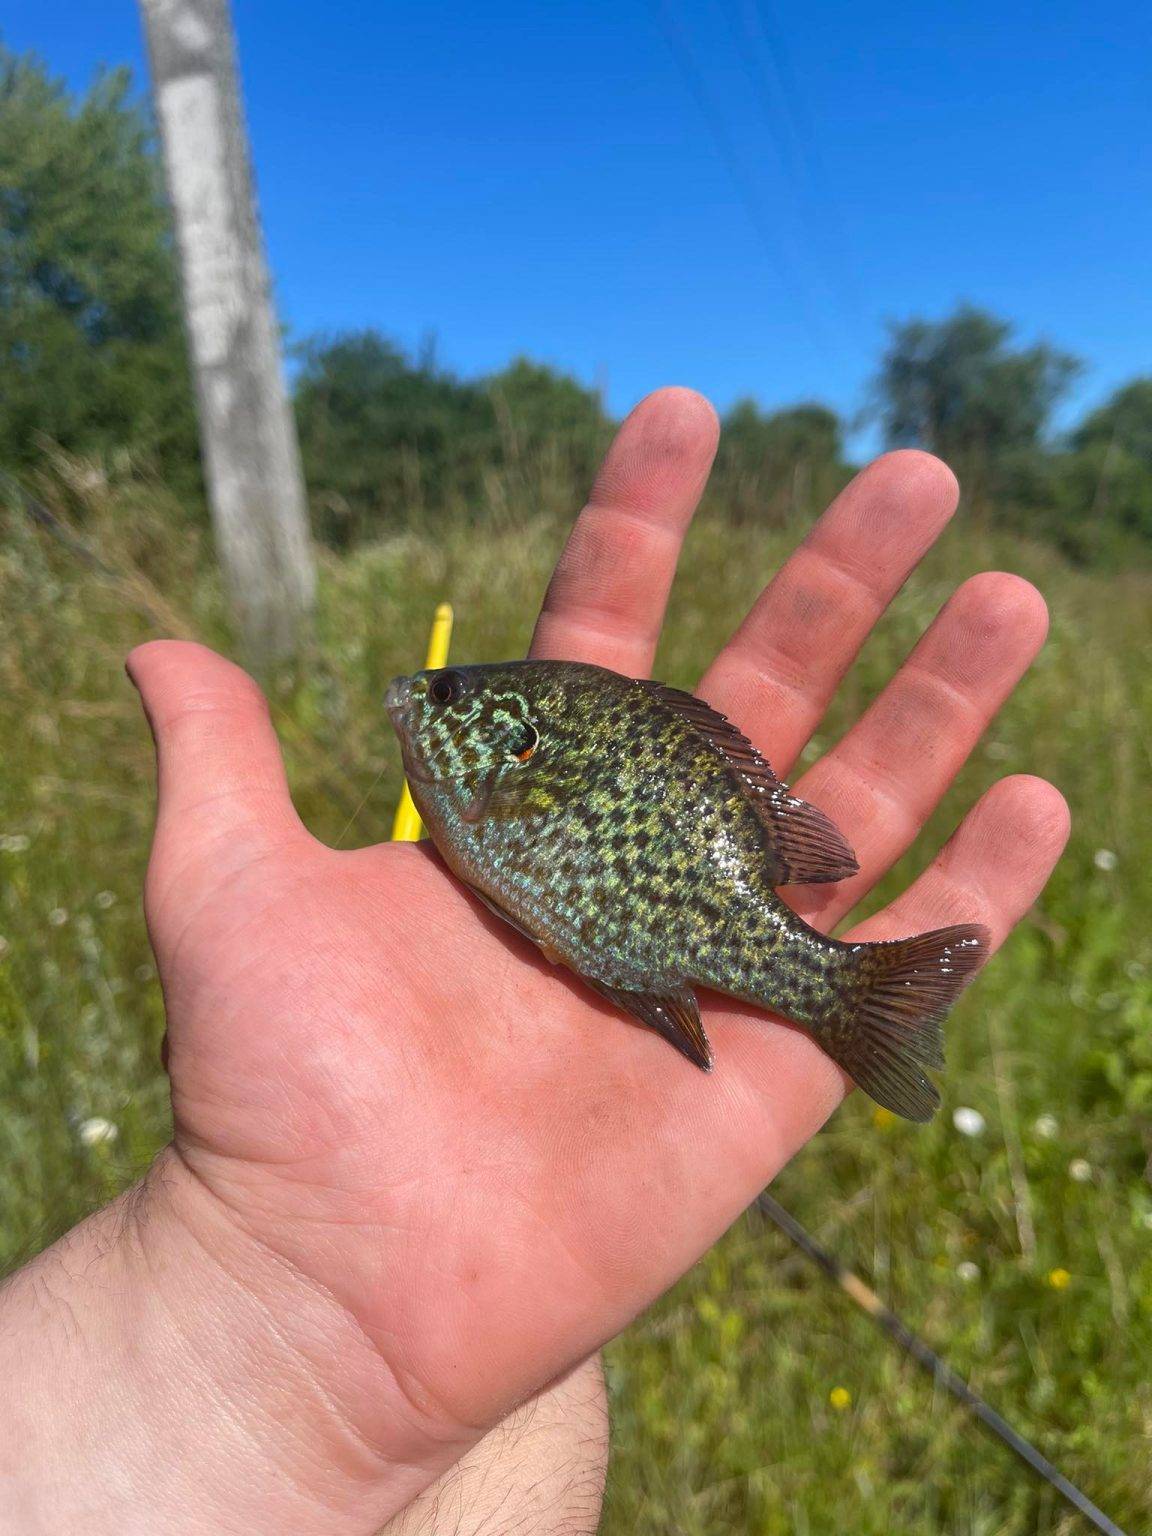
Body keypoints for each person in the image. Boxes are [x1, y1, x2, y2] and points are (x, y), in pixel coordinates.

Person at [0, 389, 1067, 1534]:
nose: (419, 699)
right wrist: (257, 1270)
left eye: (451, 699)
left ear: (506, 740)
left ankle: (850, 993)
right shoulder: (498, 765)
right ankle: (846, 990)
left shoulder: (518, 751)